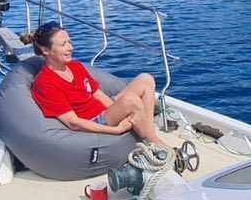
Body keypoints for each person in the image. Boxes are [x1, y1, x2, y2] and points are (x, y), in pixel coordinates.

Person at [28, 21, 165, 146]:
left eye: (69, 42)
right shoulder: (45, 83)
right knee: (131, 101)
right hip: (92, 120)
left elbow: (98, 94)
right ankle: (153, 143)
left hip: (104, 111)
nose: (71, 47)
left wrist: (119, 110)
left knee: (145, 79)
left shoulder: (75, 66)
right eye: (63, 44)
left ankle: (147, 131)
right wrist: (115, 130)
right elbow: (73, 122)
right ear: (45, 50)